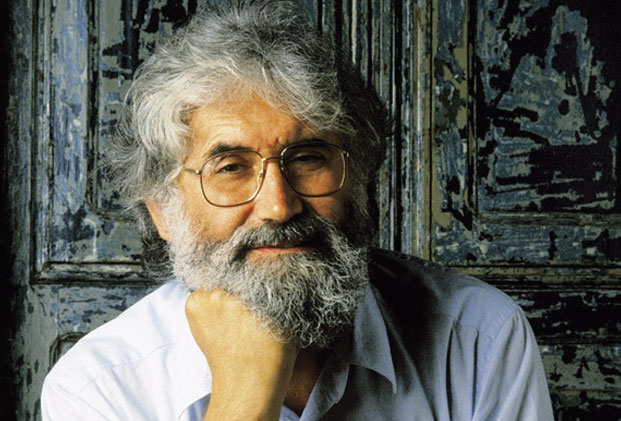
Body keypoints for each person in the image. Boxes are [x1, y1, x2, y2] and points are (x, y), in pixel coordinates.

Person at [41, 0, 554, 419]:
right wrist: (243, 399)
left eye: (308, 158)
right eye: (230, 167)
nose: (279, 206)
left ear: (360, 175)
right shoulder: (98, 390)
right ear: (161, 211)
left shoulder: (479, 339)